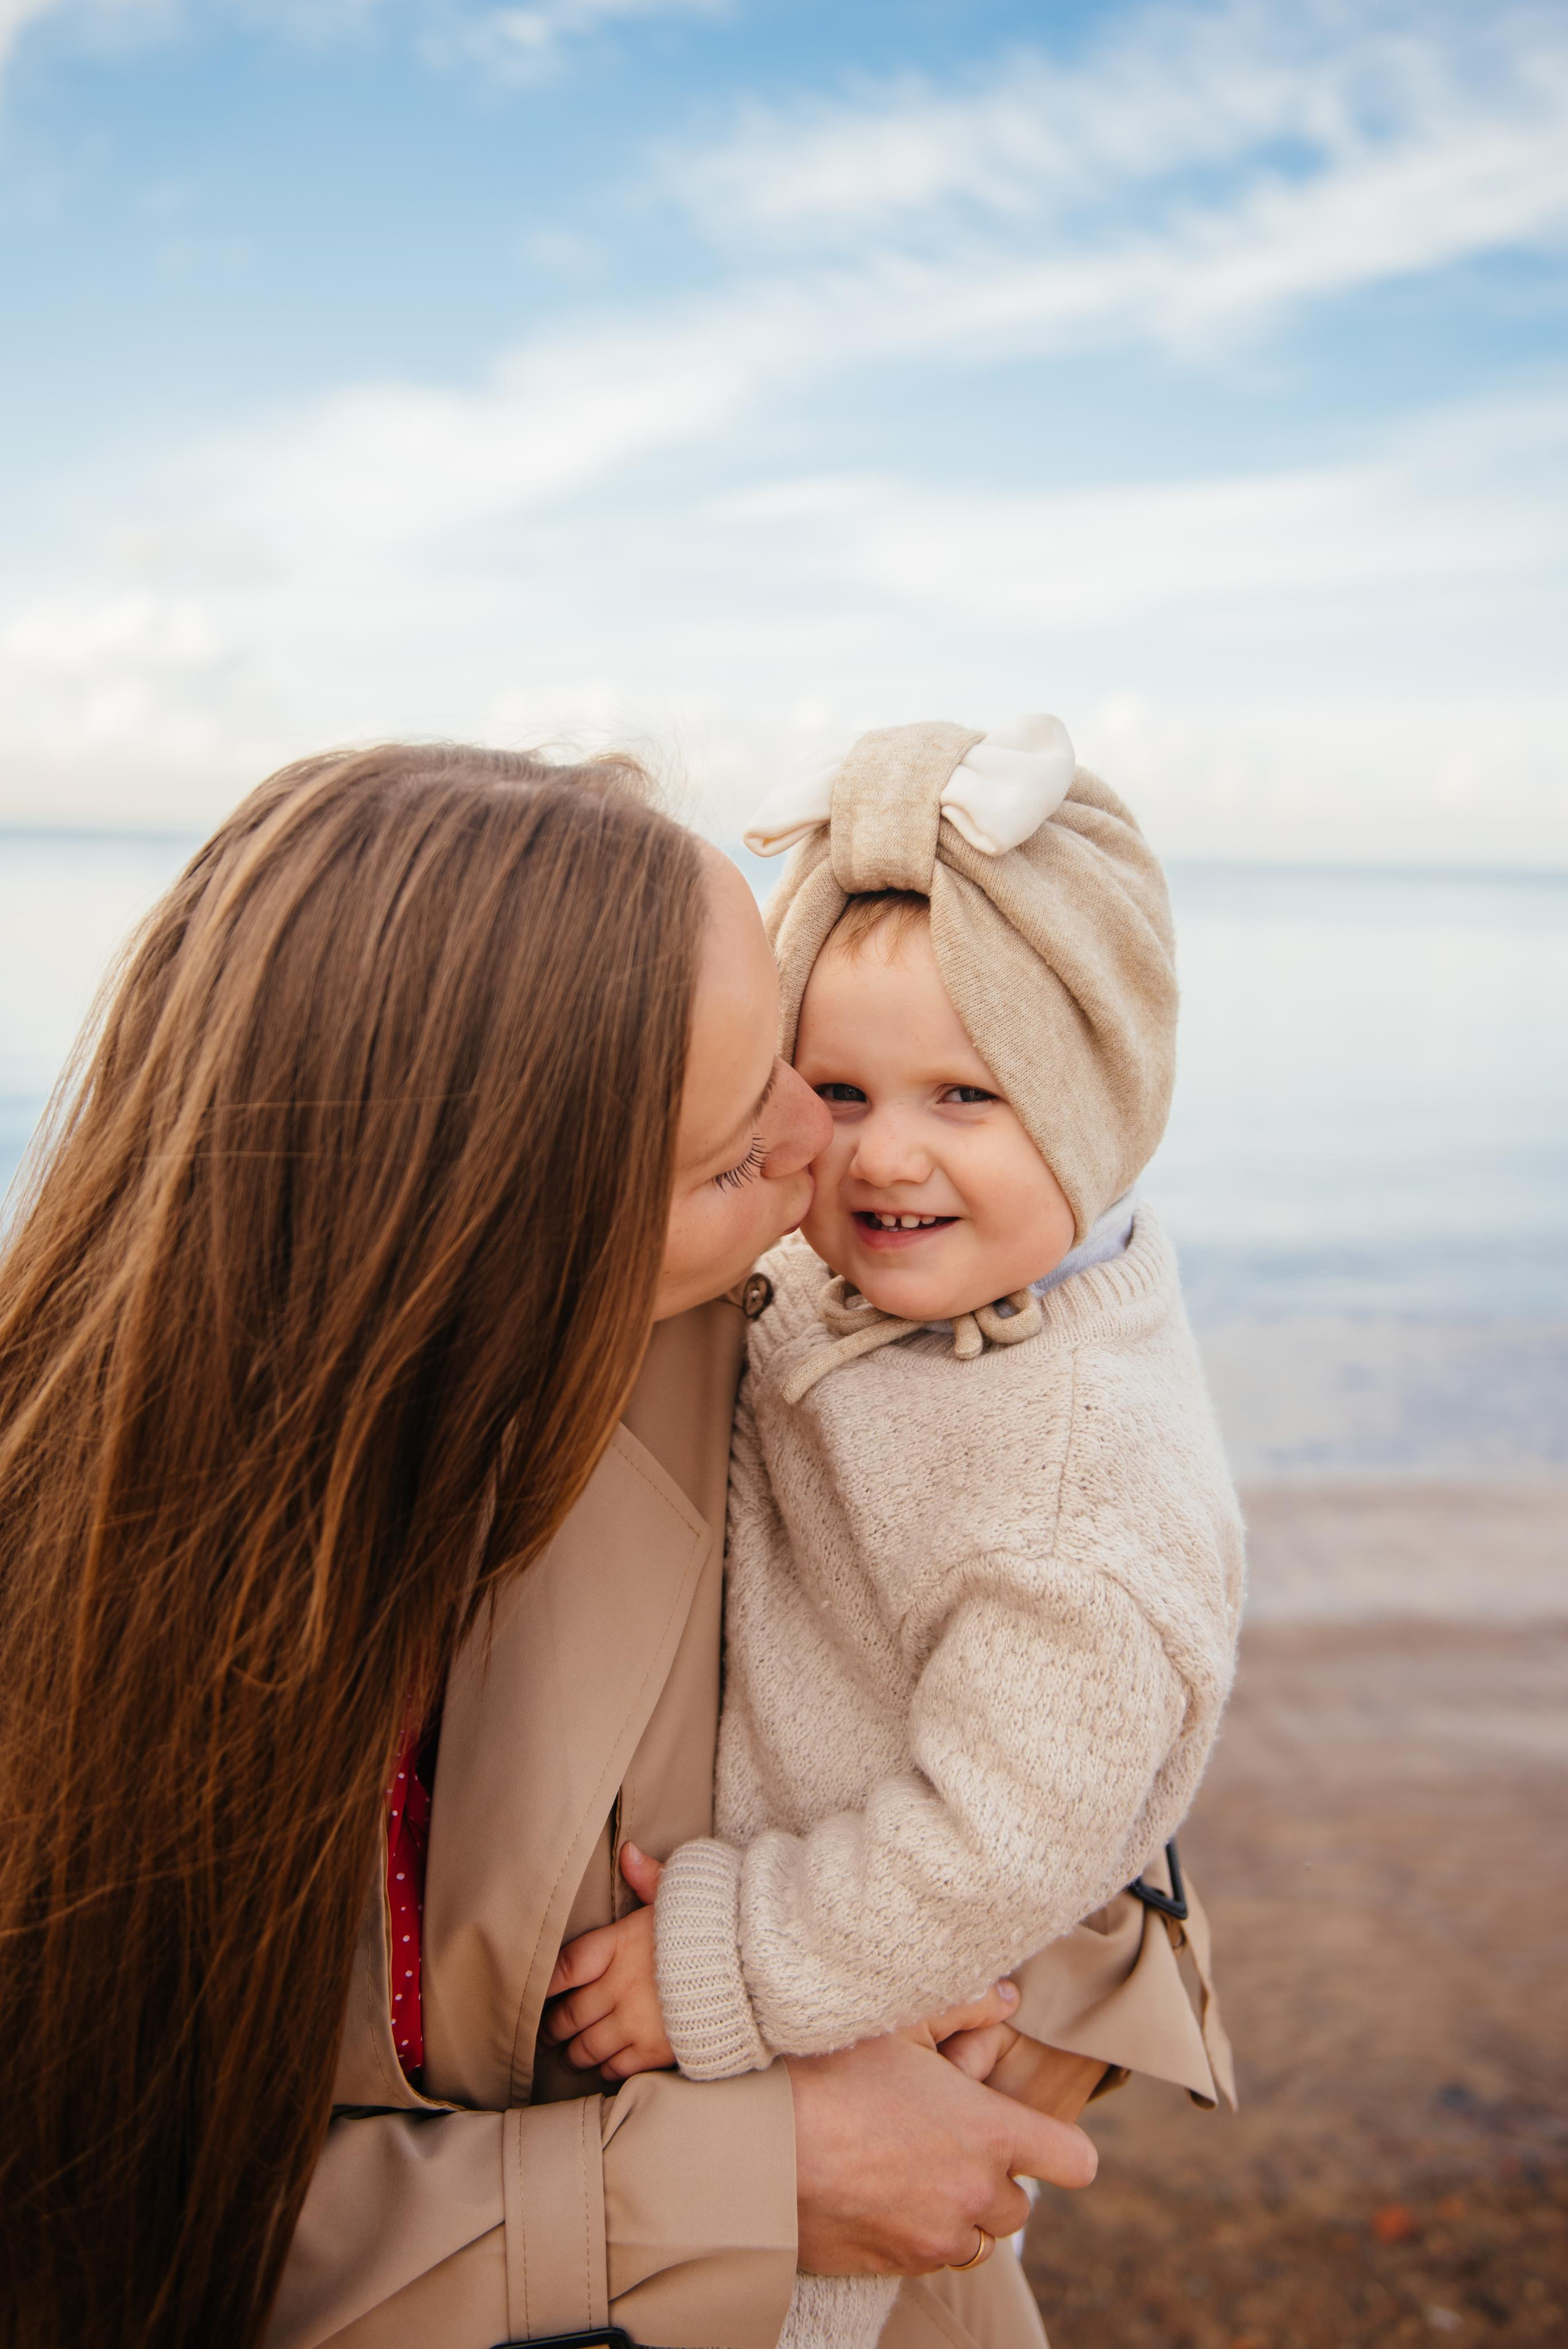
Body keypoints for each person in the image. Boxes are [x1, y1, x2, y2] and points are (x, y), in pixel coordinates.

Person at [0, 738, 1096, 2349]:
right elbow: (86, 2230)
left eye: (792, 1056)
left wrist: (1041, 2018)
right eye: (736, 1153)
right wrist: (732, 2179)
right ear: (497, 1248)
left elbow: (1077, 1637)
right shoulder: (58, 1596)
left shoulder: (781, 1349)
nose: (828, 1154)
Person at [540, 714, 1243, 2347]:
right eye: (835, 1087)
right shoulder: (875, 1286)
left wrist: (721, 1960)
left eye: (968, 1095)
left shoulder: (1078, 1479)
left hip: (832, 2001)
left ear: (1099, 1107)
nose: (881, 1153)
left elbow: (1006, 1840)